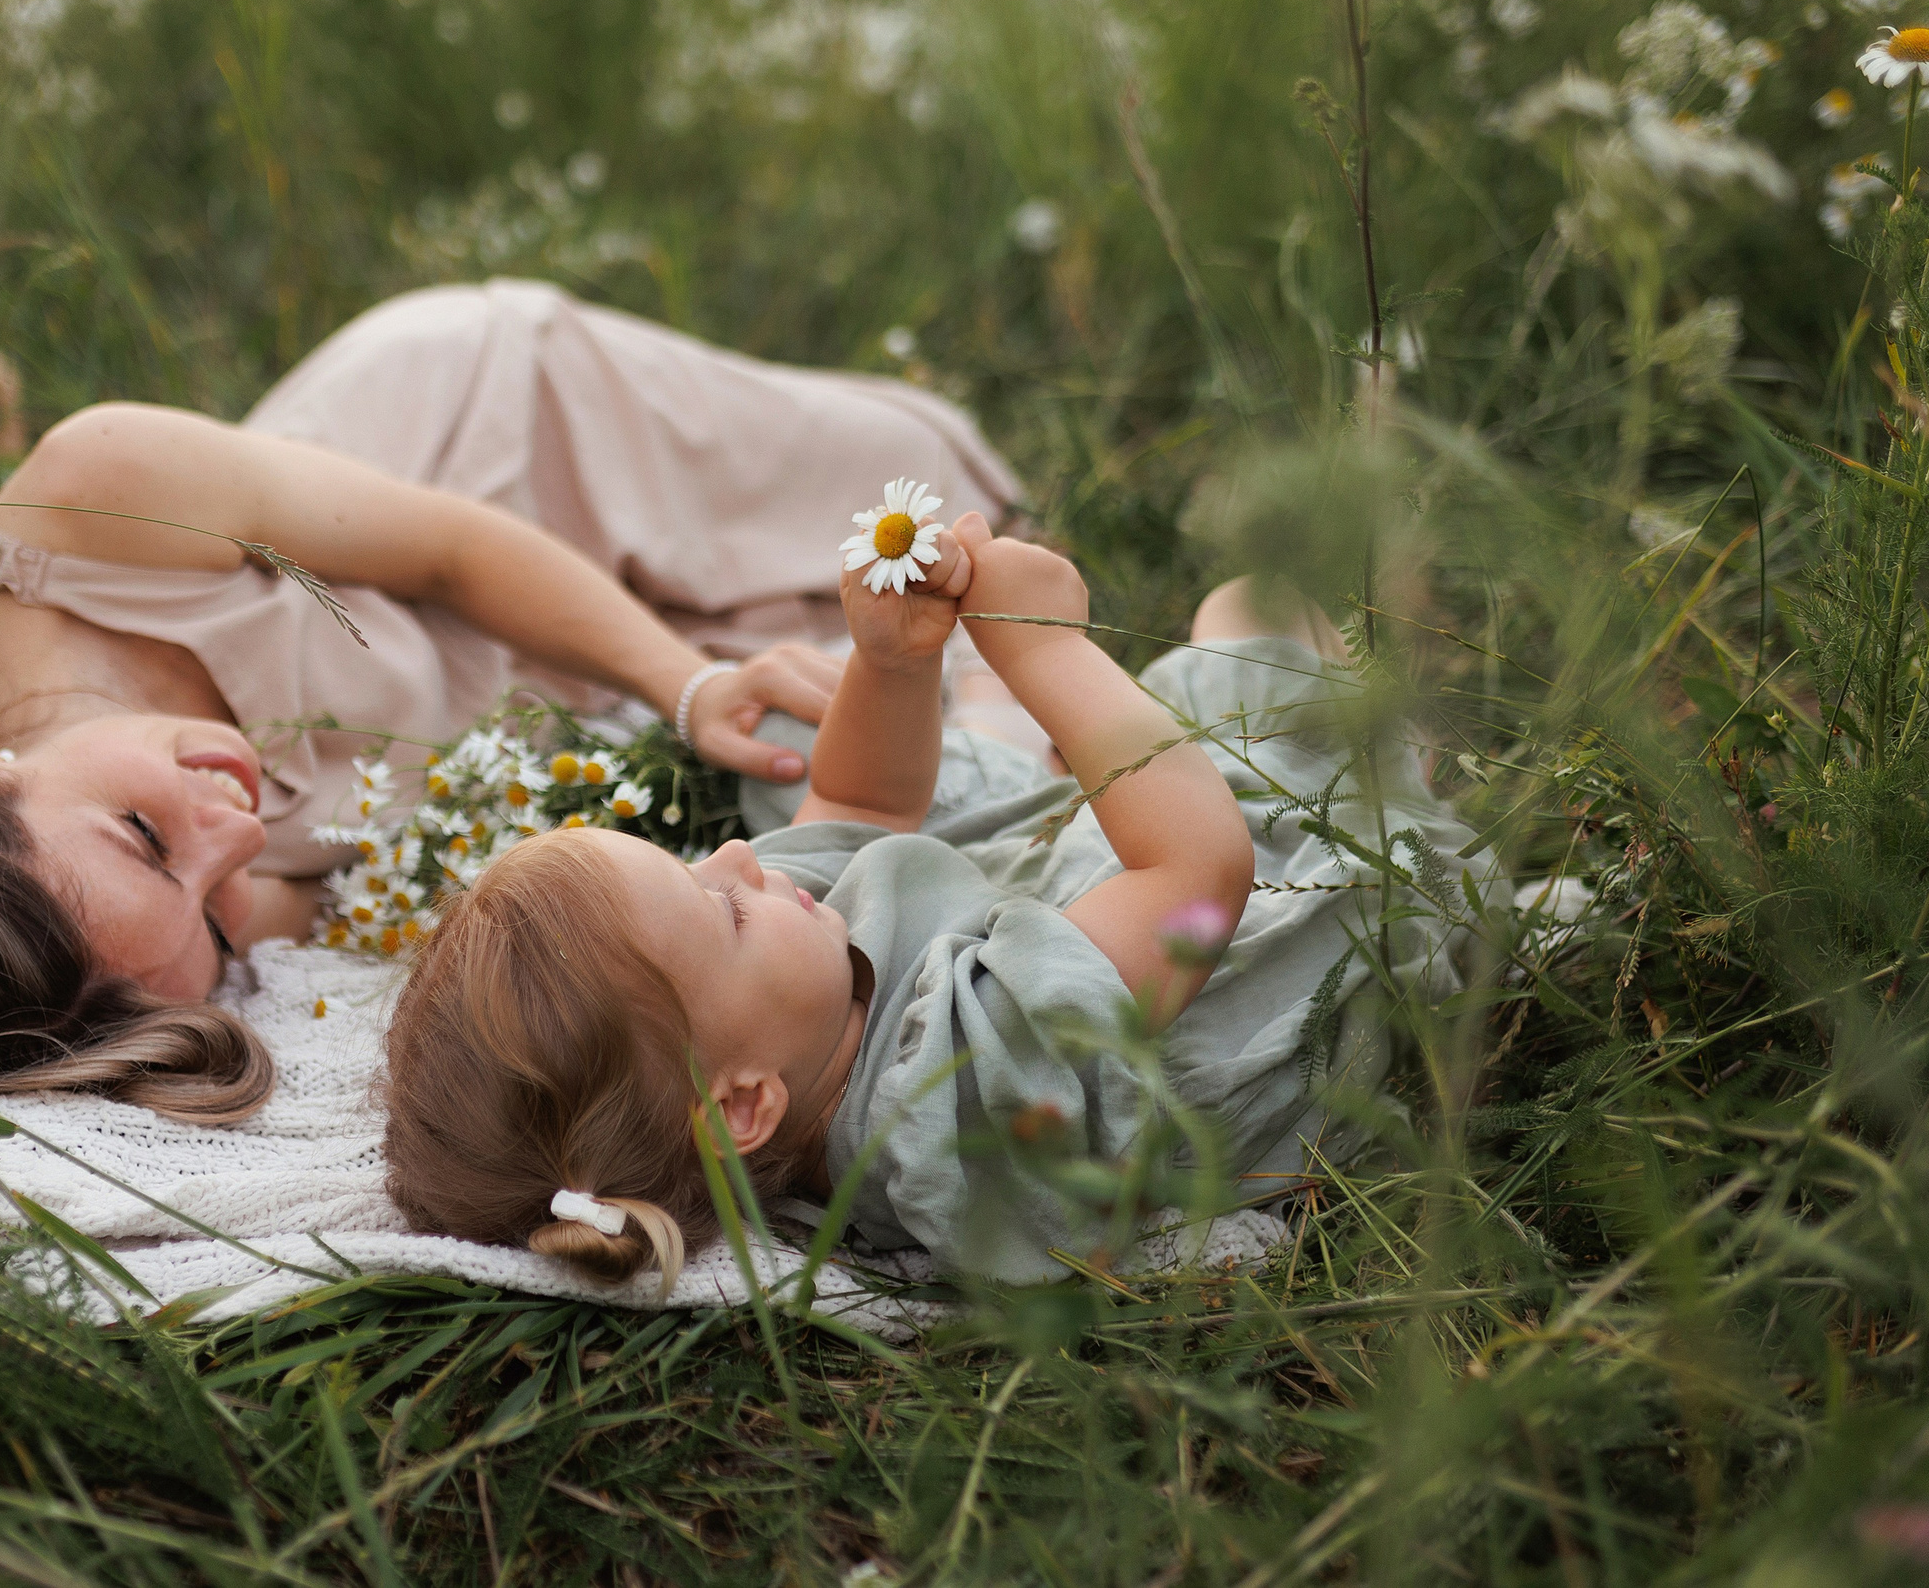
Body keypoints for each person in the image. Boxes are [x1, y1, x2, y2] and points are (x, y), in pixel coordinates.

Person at [0, 280, 1022, 1123]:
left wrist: (682, 685)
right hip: (526, 682)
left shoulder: (95, 498)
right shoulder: (166, 922)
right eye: (214, 918)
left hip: (492, 460)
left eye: (146, 834)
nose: (237, 831)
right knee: (957, 659)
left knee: (941, 488)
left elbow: (453, 554)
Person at [379, 513, 1504, 1288]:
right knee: (1256, 611)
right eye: (713, 908)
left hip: (1115, 899)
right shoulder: (963, 1091)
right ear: (741, 1107)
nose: (729, 859)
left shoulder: (788, 1008)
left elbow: (857, 801)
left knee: (1233, 624)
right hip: (1262, 924)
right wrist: (1046, 655)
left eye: (688, 863)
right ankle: (1408, 776)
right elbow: (1197, 880)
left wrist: (895, 664)